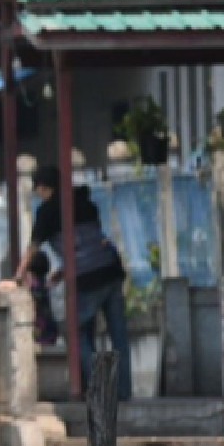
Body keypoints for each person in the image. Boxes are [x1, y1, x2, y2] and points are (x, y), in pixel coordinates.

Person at [15, 162, 132, 400]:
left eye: (37, 190)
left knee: (75, 332)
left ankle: (100, 388)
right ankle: (123, 392)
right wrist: (62, 271)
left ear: (43, 188)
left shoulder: (47, 211)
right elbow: (87, 242)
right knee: (118, 333)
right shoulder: (85, 202)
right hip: (110, 268)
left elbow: (33, 247)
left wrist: (18, 276)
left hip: (87, 277)